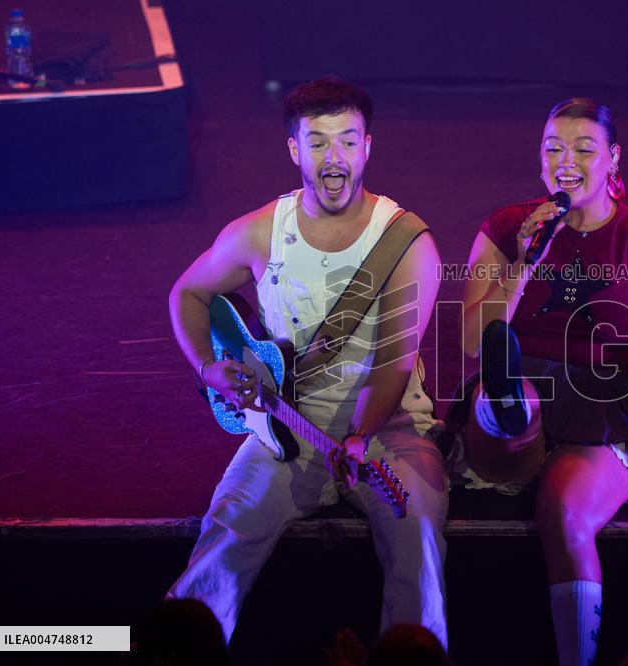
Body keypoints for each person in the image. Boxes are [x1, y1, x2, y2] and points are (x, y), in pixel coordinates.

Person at [166, 77, 448, 648]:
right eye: (317, 142)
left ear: (367, 146)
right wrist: (206, 368)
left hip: (387, 429)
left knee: (417, 534)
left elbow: (393, 365)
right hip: (285, 425)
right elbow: (187, 294)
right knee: (226, 530)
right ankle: (174, 655)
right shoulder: (261, 231)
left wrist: (360, 436)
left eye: (347, 140)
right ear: (294, 150)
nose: (333, 157)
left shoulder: (408, 244)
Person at [445, 98, 628, 666]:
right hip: (520, 379)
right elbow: (472, 341)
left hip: (601, 402)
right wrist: (524, 261)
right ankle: (509, 409)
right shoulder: (507, 227)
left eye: (583, 149)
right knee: (513, 394)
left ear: (612, 159)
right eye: (553, 148)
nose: (566, 161)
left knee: (564, 511)